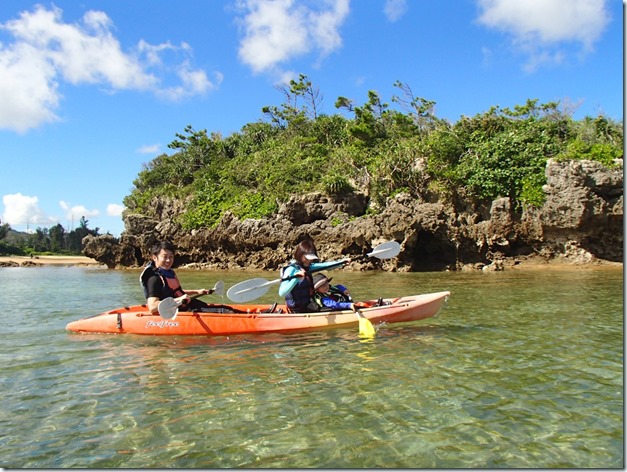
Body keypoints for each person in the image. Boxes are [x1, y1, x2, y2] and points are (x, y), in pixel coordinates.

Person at [278, 239, 351, 313]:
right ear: (300, 254)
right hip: (297, 308)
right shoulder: (291, 270)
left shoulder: (307, 266)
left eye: (311, 258)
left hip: (308, 303)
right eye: (307, 258)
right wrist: (295, 279)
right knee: (329, 307)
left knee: (331, 299)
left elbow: (325, 266)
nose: (309, 260)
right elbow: (282, 293)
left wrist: (341, 262)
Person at [140, 241, 212, 314]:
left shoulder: (170, 273)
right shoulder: (154, 279)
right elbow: (152, 307)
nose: (168, 260)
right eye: (165, 257)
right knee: (222, 311)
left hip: (187, 307)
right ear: (155, 257)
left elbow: (175, 292)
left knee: (222, 309)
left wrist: (197, 291)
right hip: (175, 312)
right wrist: (178, 300)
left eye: (171, 257)